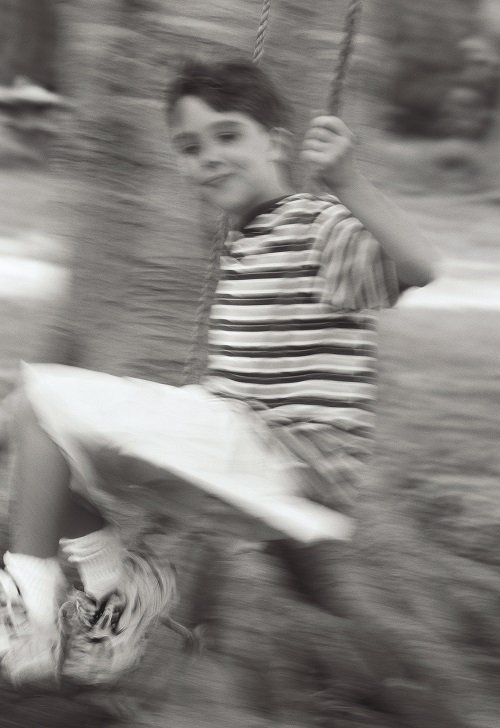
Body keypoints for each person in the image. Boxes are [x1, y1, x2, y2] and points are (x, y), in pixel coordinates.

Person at [0, 58, 437, 688]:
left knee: (39, 399)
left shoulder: (318, 224)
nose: (208, 157)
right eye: (189, 147)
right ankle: (115, 588)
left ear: (277, 142)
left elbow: (420, 266)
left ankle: (33, 615)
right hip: (243, 461)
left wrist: (348, 181)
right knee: (27, 424)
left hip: (288, 459)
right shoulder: (243, 238)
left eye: (228, 135)